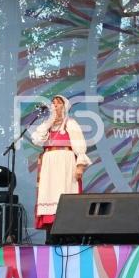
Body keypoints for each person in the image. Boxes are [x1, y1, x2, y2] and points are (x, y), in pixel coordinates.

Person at [31, 96, 91, 240]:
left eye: (58, 104)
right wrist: (50, 121)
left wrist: (80, 166)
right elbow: (37, 140)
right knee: (49, 193)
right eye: (53, 103)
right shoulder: (47, 126)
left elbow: (80, 145)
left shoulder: (70, 123)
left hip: (66, 161)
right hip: (49, 163)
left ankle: (69, 235)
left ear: (65, 107)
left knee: (65, 192)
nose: (55, 106)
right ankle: (51, 235)